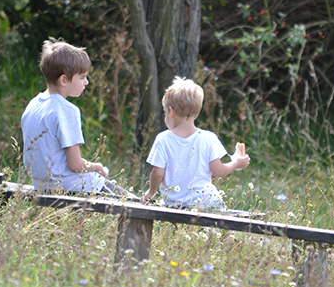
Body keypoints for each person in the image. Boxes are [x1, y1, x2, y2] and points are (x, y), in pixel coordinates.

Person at [22, 38, 128, 196]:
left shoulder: (32, 106)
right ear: (64, 80)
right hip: (71, 185)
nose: (86, 82)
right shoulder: (67, 111)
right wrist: (97, 167)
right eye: (82, 77)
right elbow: (76, 165)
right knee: (134, 204)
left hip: (42, 185)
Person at [140, 76, 251, 209]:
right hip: (206, 204)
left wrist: (151, 193)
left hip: (175, 205)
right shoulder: (208, 138)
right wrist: (236, 163)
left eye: (164, 112)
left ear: (171, 111)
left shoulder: (162, 139)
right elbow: (218, 171)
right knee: (219, 228)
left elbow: (157, 173)